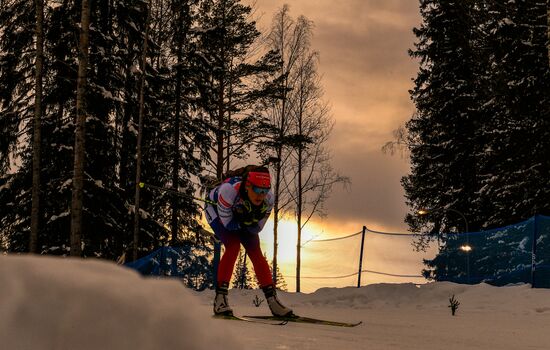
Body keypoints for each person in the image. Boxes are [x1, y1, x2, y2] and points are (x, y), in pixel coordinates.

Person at [204, 165, 293, 317]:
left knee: (255, 251)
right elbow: (228, 225)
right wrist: (243, 218)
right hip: (216, 211)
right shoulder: (228, 191)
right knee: (233, 247)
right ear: (248, 186)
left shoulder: (269, 199)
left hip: (237, 215)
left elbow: (256, 229)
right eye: (258, 190)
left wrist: (247, 218)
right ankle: (220, 300)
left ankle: (273, 301)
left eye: (265, 191)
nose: (261, 195)